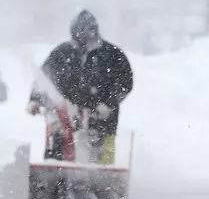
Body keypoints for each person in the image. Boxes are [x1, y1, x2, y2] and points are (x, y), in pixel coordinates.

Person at [27, 9, 133, 164]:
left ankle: (102, 182)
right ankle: (55, 177)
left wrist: (109, 103)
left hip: (102, 118)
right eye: (78, 33)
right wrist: (35, 99)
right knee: (57, 149)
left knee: (101, 159)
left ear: (93, 32)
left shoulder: (112, 55)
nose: (82, 37)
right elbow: (44, 79)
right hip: (65, 115)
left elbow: (125, 83)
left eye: (85, 33)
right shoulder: (61, 53)